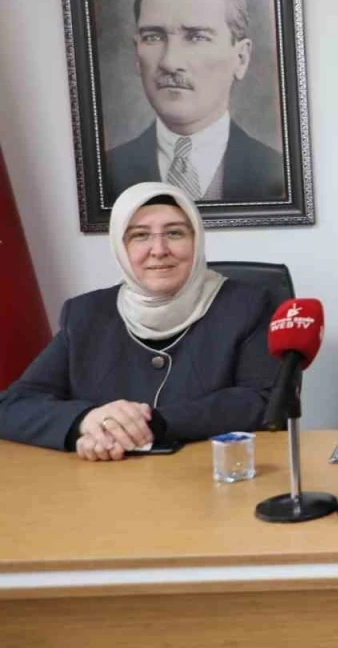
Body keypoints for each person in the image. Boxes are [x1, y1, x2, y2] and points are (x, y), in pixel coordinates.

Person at [0, 183, 278, 459]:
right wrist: (86, 420)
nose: (159, 249)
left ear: (197, 240)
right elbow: (12, 405)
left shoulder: (248, 305)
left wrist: (146, 424)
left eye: (174, 233)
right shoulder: (85, 314)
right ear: (121, 247)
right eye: (140, 235)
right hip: (102, 479)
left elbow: (262, 401)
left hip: (207, 473)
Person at [106, 0, 285, 204]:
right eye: (153, 37)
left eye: (197, 37)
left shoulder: (279, 173)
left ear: (241, 58)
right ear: (137, 56)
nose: (170, 62)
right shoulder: (106, 173)